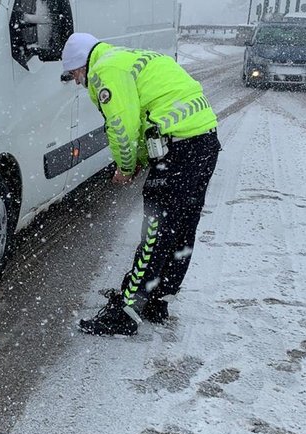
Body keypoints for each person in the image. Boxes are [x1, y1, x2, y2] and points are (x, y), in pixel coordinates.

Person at [61, 33, 221, 336]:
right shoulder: (126, 57)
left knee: (156, 231)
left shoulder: (106, 72)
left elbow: (122, 127)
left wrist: (126, 166)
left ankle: (126, 311)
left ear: (81, 66)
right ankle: (158, 299)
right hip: (204, 140)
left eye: (74, 74)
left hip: (179, 148)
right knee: (181, 226)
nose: (76, 81)